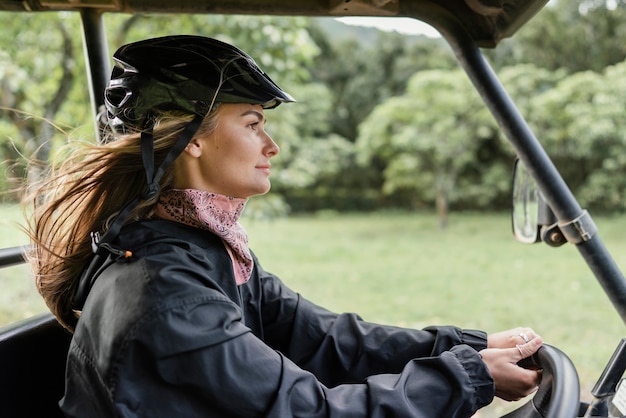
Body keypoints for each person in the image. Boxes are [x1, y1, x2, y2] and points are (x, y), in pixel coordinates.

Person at [25, 35, 543, 417]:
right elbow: (305, 411)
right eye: (252, 124)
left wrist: (469, 347)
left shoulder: (201, 250)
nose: (271, 146)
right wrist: (469, 377)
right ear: (195, 141)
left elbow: (327, 339)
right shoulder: (169, 294)